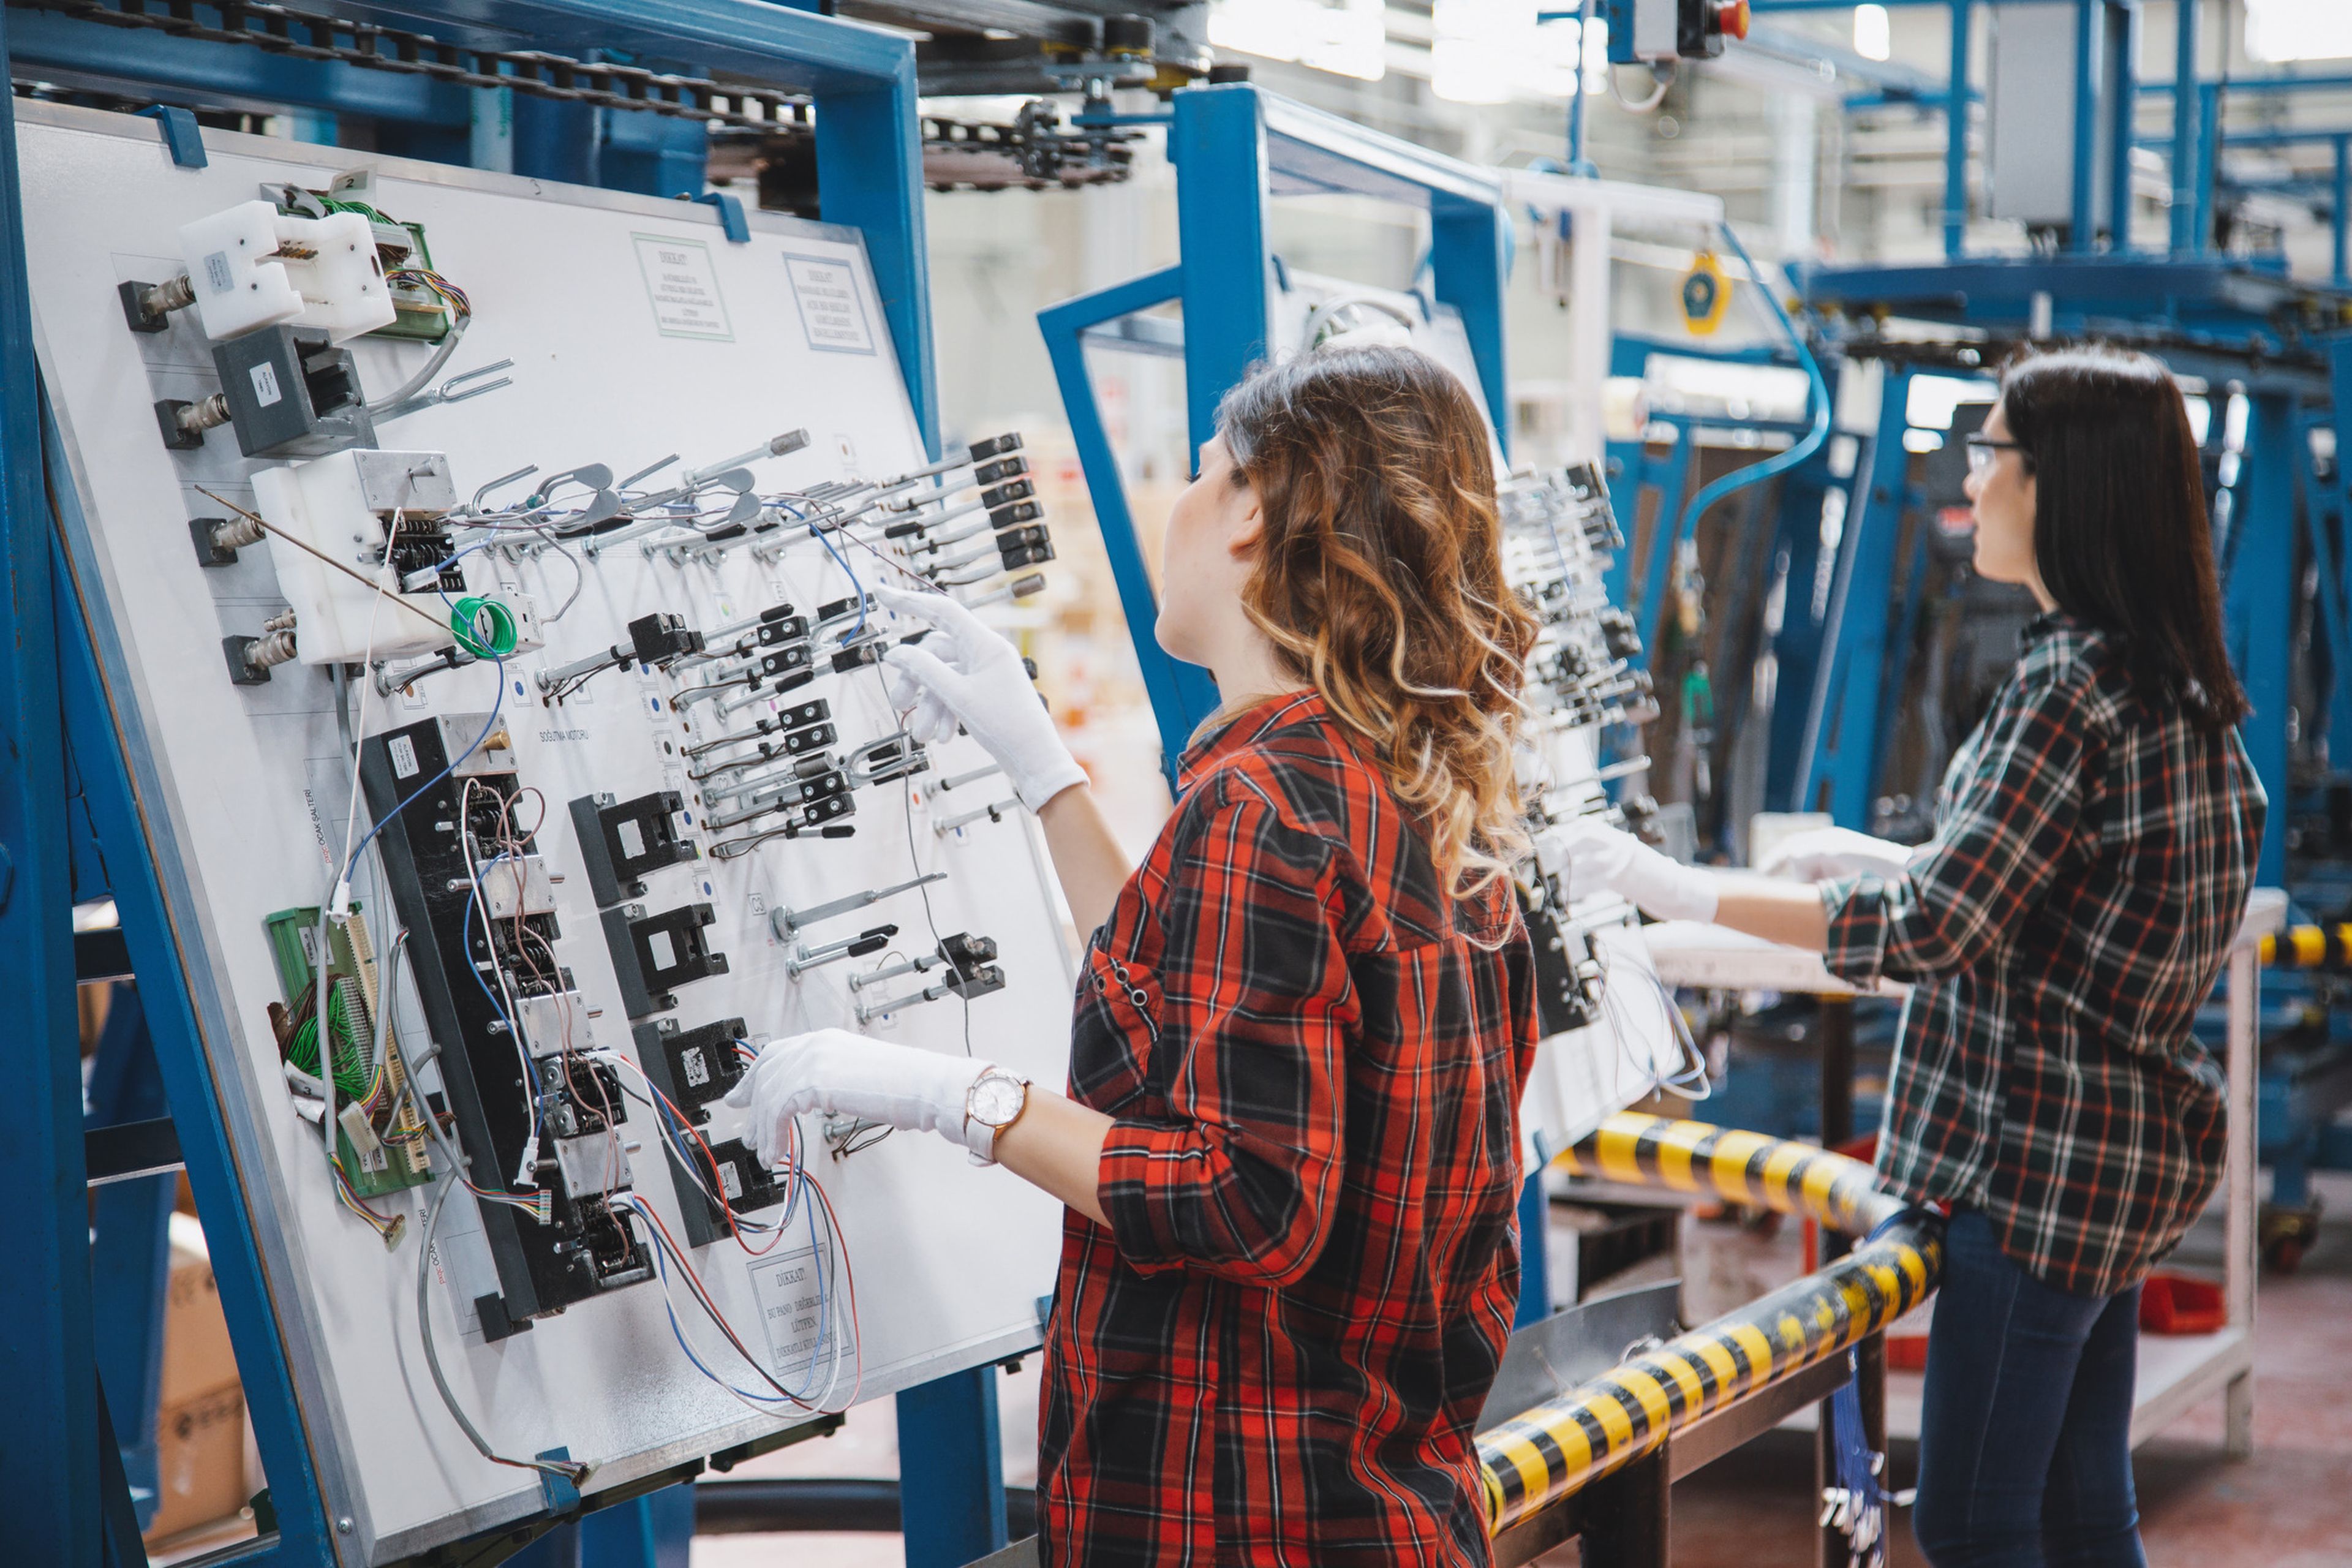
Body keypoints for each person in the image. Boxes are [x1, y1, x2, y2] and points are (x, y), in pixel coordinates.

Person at [728, 344, 1545, 1565]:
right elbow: (1197, 1023)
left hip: (1247, 1522)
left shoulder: (1264, 806)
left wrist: (945, 1095)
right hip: (1388, 1507)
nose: (1185, 498)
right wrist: (1041, 768)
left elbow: (1249, 1199)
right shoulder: (1408, 801)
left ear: (1257, 515)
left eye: (1206, 472)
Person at [1548, 344, 2264, 1568]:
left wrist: (1677, 889)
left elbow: (1943, 928)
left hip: (2031, 1164)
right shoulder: (2172, 679)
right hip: (2117, 1159)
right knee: (2084, 1507)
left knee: (1975, 1519)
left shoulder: (2066, 689)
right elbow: (2051, 893)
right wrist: (1880, 856)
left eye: (1991, 453)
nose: (1971, 481)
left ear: (2061, 485)